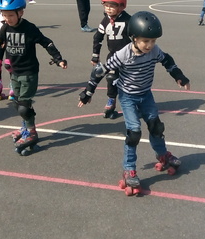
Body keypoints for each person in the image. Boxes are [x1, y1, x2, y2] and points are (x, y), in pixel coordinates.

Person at [78, 11, 190, 196]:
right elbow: (100, 70)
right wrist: (88, 92)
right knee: (134, 132)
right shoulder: (123, 54)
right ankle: (129, 168)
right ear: (134, 38)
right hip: (128, 97)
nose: (150, 45)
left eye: (153, 41)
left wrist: (179, 77)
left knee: (156, 126)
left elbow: (167, 60)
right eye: (146, 41)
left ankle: (162, 155)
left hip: (146, 94)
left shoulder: (154, 50)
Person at [0, 0, 67, 154]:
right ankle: (26, 128)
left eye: (10, 15)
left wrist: (58, 58)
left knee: (23, 106)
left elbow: (47, 42)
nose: (7, 18)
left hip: (29, 73)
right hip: (14, 73)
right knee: (16, 102)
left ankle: (31, 132)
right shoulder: (5, 28)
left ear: (20, 12)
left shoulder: (29, 29)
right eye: (4, 15)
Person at [91, 0, 131, 119]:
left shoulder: (128, 20)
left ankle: (132, 103)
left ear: (121, 6)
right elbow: (98, 38)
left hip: (128, 57)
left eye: (111, 6)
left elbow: (137, 38)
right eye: (106, 5)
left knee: (130, 81)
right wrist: (95, 55)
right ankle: (111, 101)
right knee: (111, 79)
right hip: (113, 56)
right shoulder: (105, 21)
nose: (108, 9)